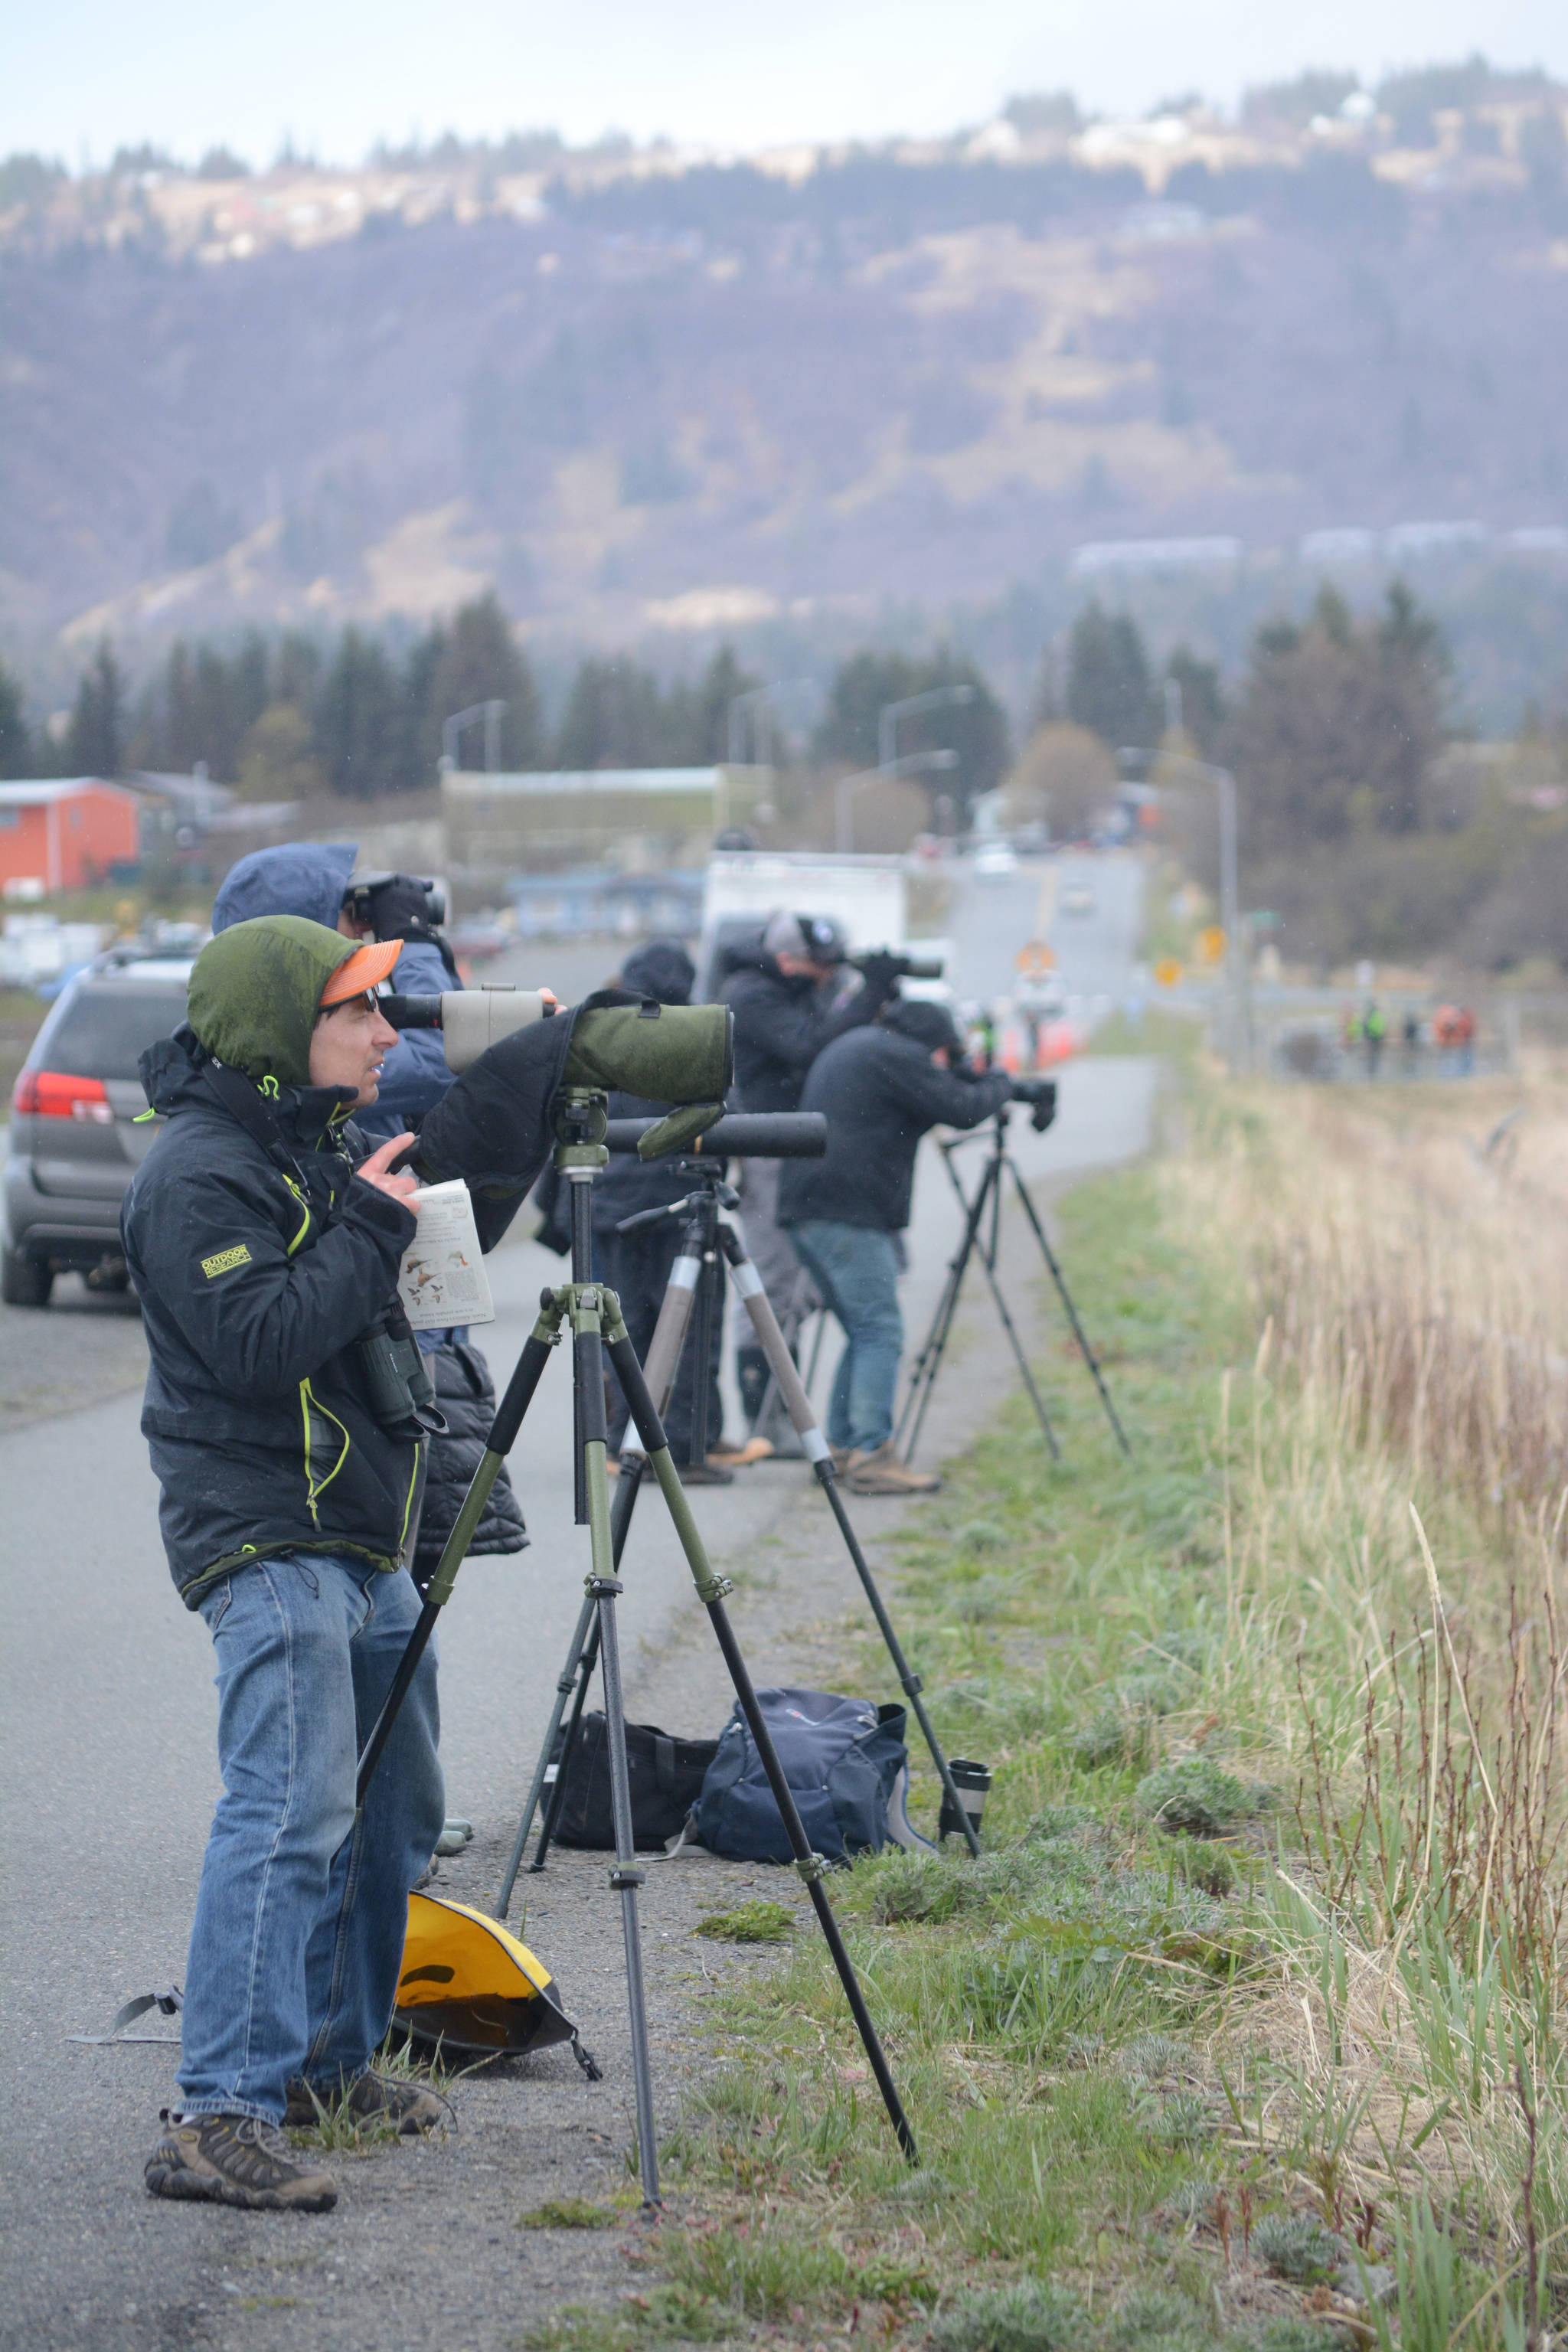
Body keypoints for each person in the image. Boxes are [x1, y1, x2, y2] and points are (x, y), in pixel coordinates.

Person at [122, 916, 448, 2212]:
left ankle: (323, 2063)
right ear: (278, 1034)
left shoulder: (308, 1144)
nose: (385, 1034)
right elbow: (257, 1342)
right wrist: (371, 1229)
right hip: (267, 1535)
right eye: (357, 1013)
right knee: (287, 1812)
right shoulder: (197, 1174)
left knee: (391, 1808)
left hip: (357, 1539)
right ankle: (216, 2113)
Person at [210, 846, 528, 1586]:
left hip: (395, 1318)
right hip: (369, 1334)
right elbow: (433, 1051)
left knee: (394, 1601)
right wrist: (413, 944)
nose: (375, 1028)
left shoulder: (303, 1033)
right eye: (351, 911)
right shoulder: (298, 1036)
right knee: (381, 1588)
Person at [777, 998, 1015, 1497]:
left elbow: (924, 1104)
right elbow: (962, 1109)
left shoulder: (864, 1046)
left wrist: (968, 1080)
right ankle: (873, 1455)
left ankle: (841, 1449)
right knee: (879, 1329)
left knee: (860, 1329)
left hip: (807, 1206)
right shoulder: (899, 1055)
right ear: (934, 1043)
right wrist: (1001, 1081)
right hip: (846, 1211)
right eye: (946, 1056)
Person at [718, 911, 901, 1439]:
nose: (827, 975)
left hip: (802, 1146)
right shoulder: (752, 995)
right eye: (818, 966)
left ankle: (790, 1417)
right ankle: (766, 1421)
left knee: (807, 1285)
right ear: (785, 961)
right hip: (768, 1146)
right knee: (773, 1283)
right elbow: (809, 1046)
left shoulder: (798, 989)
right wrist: (869, 994)